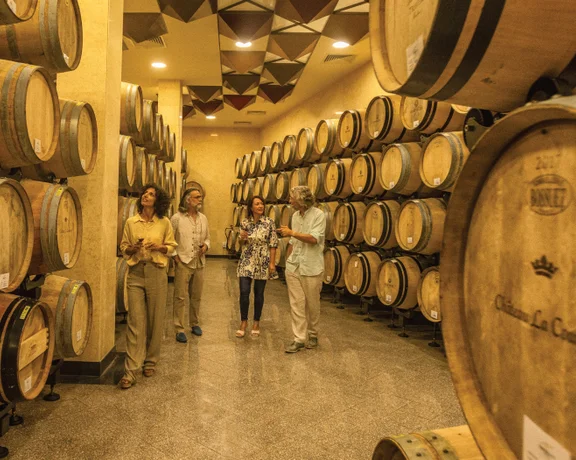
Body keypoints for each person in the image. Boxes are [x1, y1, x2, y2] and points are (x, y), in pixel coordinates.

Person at [119, 184, 177, 389]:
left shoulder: (164, 222)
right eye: (145, 193)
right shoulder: (131, 222)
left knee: (155, 320)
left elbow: (171, 248)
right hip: (135, 273)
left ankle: (150, 361)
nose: (146, 195)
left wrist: (160, 247)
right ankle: (131, 370)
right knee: (135, 321)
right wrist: (132, 248)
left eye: (151, 194)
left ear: (158, 201)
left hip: (156, 272)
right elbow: (124, 248)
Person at [278, 186, 326, 353]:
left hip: (312, 266)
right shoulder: (295, 216)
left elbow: (314, 238)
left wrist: (292, 232)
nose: (289, 201)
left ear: (300, 200)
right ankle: (299, 338)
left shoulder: (319, 215)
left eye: (291, 198)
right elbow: (293, 241)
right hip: (294, 266)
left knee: (312, 304)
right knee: (296, 304)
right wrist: (287, 261)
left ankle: (313, 334)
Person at [171, 187, 210, 343]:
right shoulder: (177, 218)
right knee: (180, 297)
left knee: (196, 296)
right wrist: (175, 258)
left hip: (199, 262)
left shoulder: (203, 218)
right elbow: (170, 239)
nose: (200, 199)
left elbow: (208, 238)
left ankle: (194, 323)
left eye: (200, 197)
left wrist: (206, 246)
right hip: (183, 262)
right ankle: (179, 328)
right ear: (188, 200)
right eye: (196, 197)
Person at [236, 195, 278, 338]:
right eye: (257, 204)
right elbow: (240, 244)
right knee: (244, 292)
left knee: (259, 294)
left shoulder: (269, 222)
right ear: (251, 207)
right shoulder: (245, 222)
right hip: (247, 259)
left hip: (262, 260)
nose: (260, 206)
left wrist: (272, 263)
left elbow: (273, 244)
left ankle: (256, 322)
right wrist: (241, 239)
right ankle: (243, 322)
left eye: (262, 204)